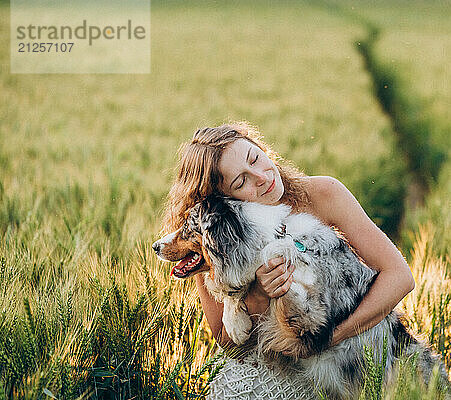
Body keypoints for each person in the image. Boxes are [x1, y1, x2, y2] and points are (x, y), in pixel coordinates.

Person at [161, 121, 415, 399]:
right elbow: (227, 342)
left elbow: (399, 277)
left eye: (255, 158)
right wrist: (258, 294)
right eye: (241, 181)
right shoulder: (213, 239)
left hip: (346, 354)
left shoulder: (323, 194)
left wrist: (332, 337)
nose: (260, 176)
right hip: (272, 371)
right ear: (223, 202)